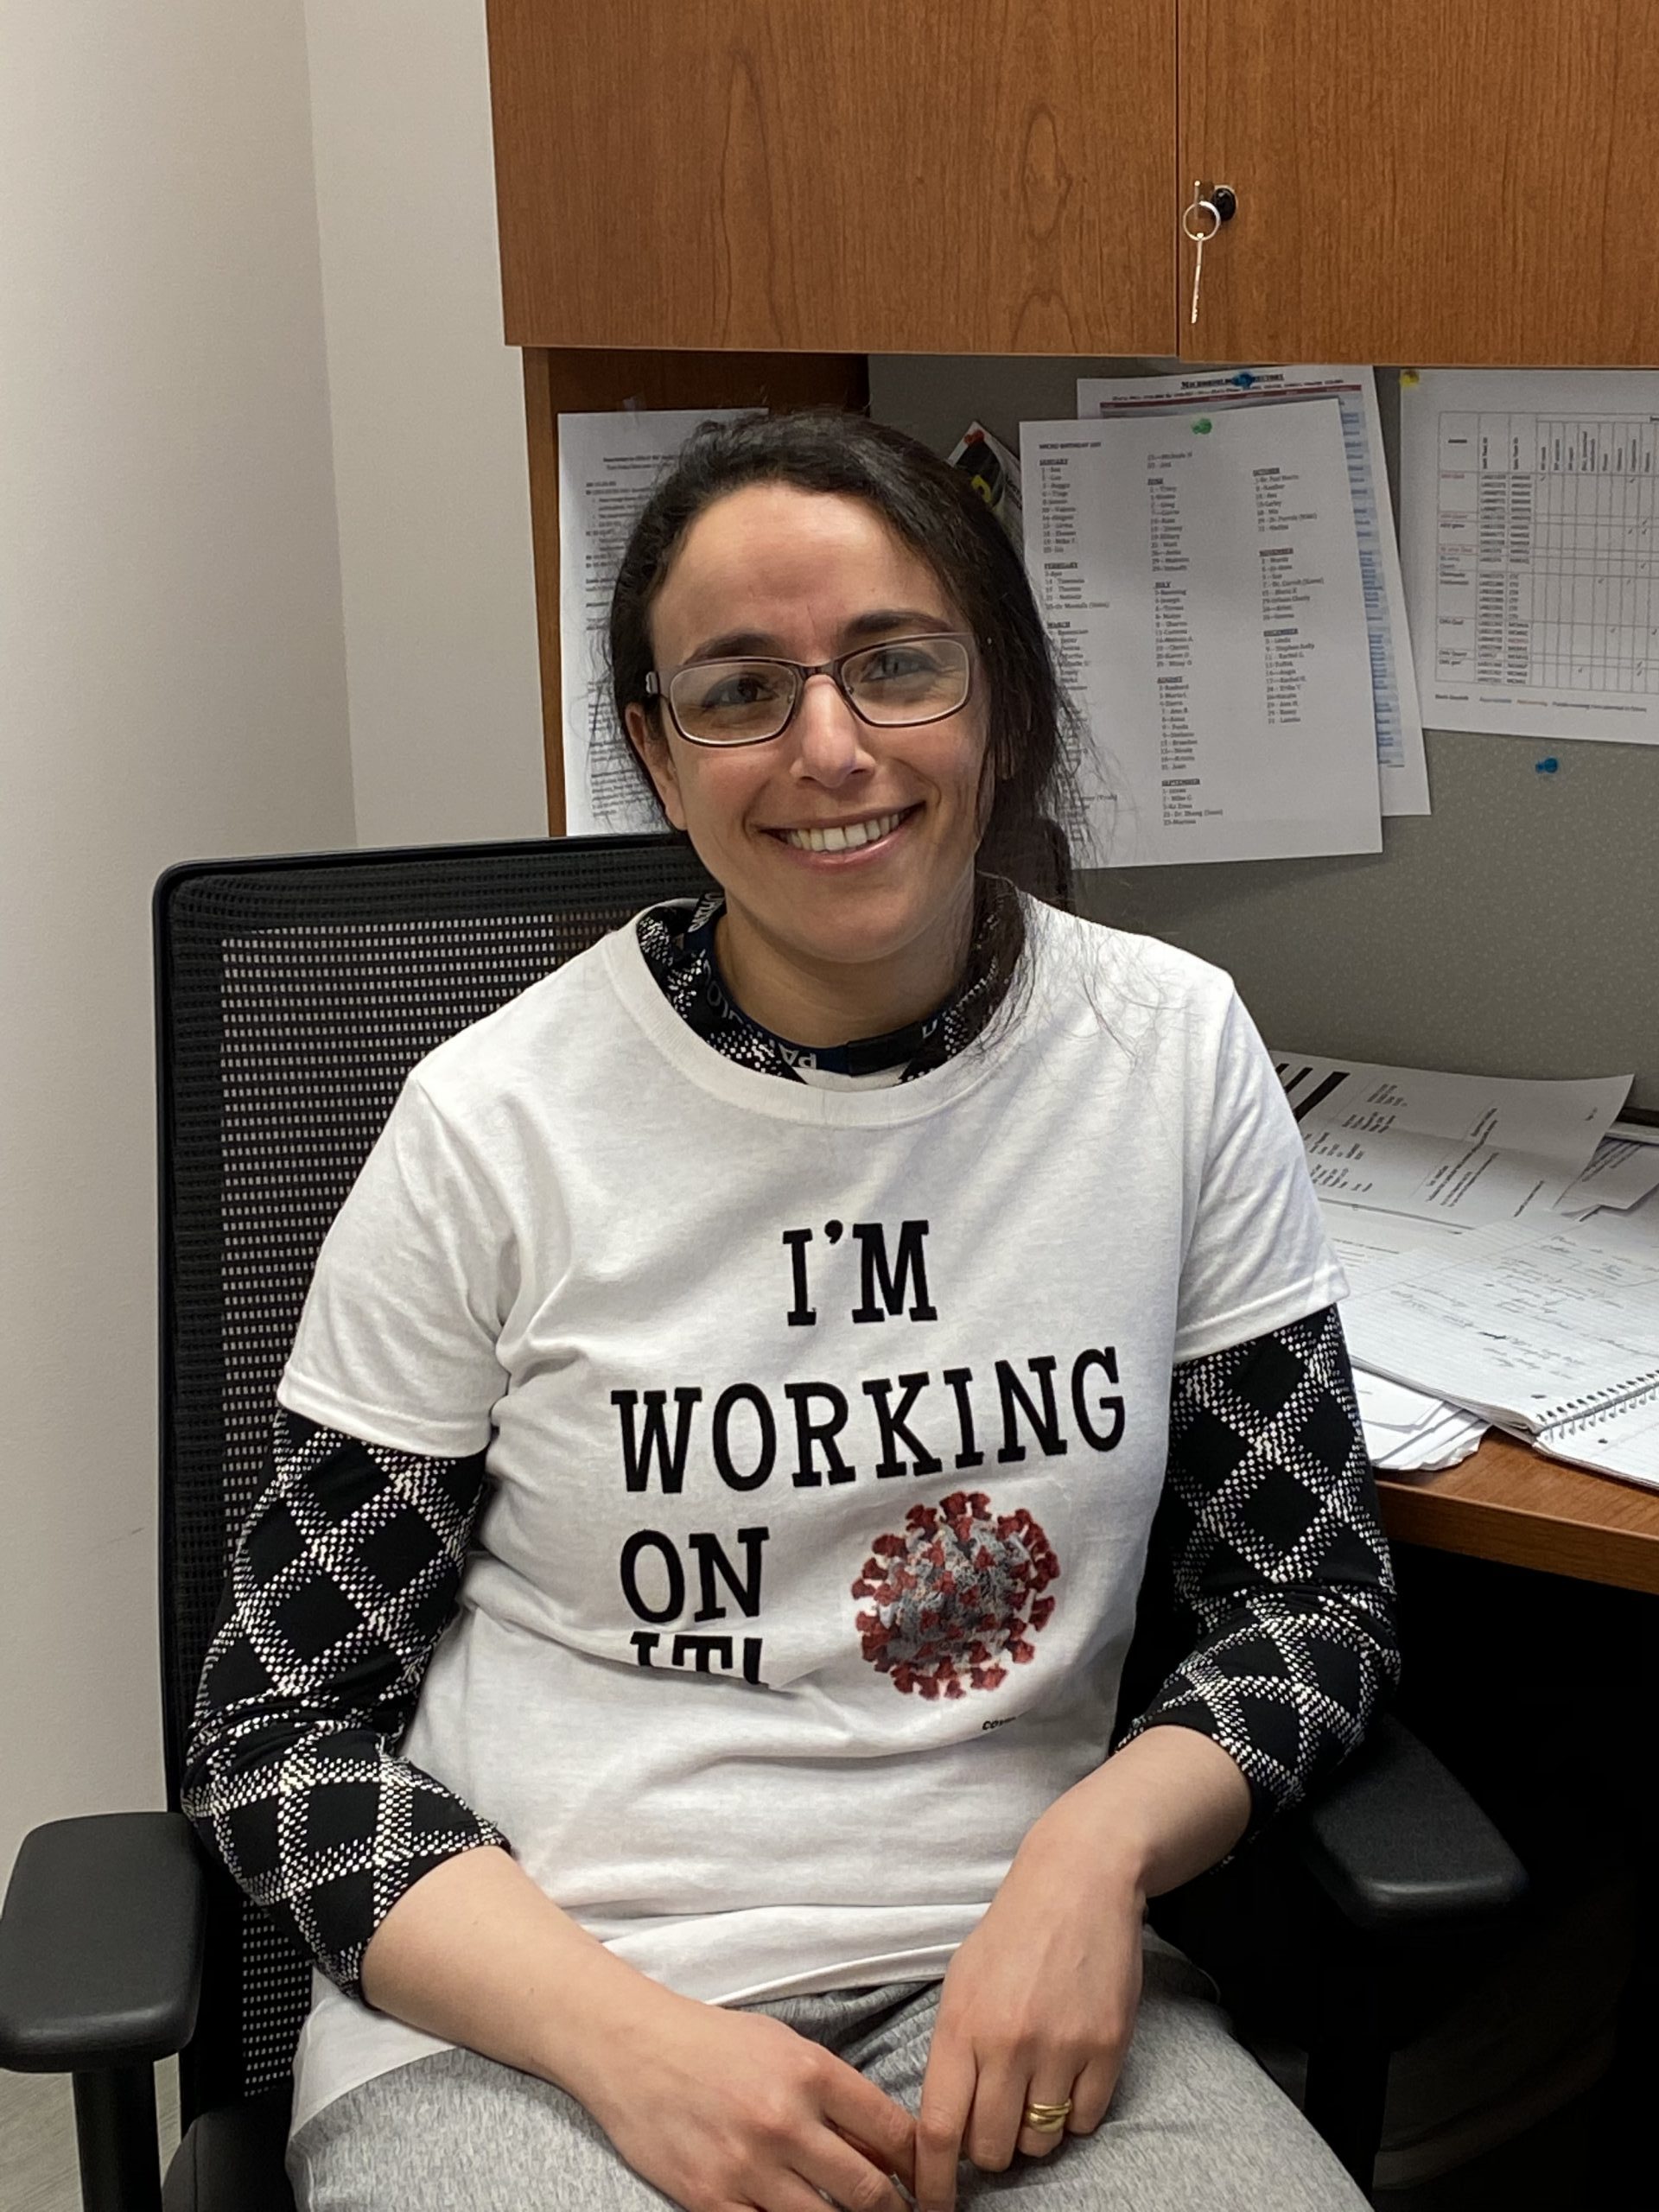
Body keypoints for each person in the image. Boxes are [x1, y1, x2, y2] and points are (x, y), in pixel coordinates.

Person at [183, 410, 1398, 2212]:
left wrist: (1094, 1856)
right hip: (546, 2021)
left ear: (998, 699)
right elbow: (276, 1720)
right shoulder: (495, 1124)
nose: (831, 747)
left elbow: (1312, 1597)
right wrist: (627, 2038)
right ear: (659, 758)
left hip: (1015, 1992)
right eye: (739, 689)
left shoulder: (1169, 1055)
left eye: (897, 663)